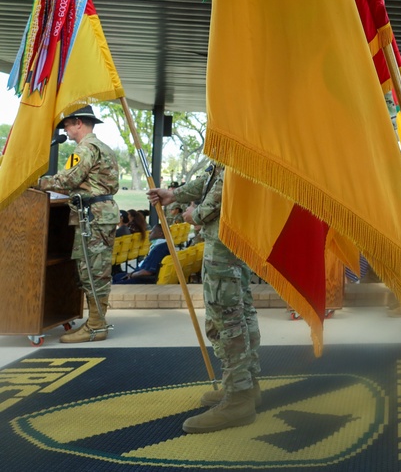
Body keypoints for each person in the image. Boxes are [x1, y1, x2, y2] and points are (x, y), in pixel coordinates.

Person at [148, 162, 262, 432]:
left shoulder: (237, 139)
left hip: (224, 245)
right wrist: (174, 195)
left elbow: (220, 193)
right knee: (241, 315)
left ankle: (238, 400)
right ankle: (247, 386)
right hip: (231, 241)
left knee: (226, 321)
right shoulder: (231, 143)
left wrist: (194, 214)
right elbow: (212, 177)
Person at [35, 105, 120, 343]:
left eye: (67, 124)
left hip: (93, 215)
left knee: (92, 270)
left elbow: (69, 179)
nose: (65, 129)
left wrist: (38, 182)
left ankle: (96, 325)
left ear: (79, 123)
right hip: (98, 214)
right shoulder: (101, 147)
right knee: (93, 268)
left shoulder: (86, 148)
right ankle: (96, 321)